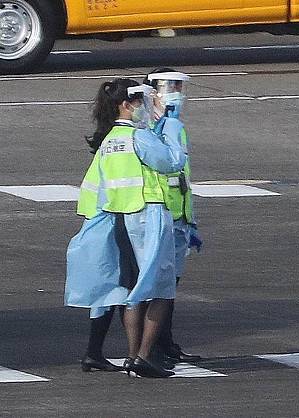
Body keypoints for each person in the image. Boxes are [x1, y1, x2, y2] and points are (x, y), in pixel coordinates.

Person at [65, 78, 187, 377]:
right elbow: (173, 161)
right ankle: (144, 357)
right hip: (150, 214)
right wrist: (168, 123)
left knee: (132, 289)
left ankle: (132, 356)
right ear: (127, 105)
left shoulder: (108, 141)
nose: (148, 107)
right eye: (143, 102)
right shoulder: (140, 137)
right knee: (161, 288)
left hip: (121, 217)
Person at [143, 68, 203, 363]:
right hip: (159, 217)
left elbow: (183, 179)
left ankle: (165, 342)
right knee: (159, 288)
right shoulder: (149, 126)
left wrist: (190, 221)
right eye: (170, 87)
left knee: (170, 288)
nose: (177, 92)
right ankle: (152, 345)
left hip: (178, 217)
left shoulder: (175, 125)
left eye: (179, 87)